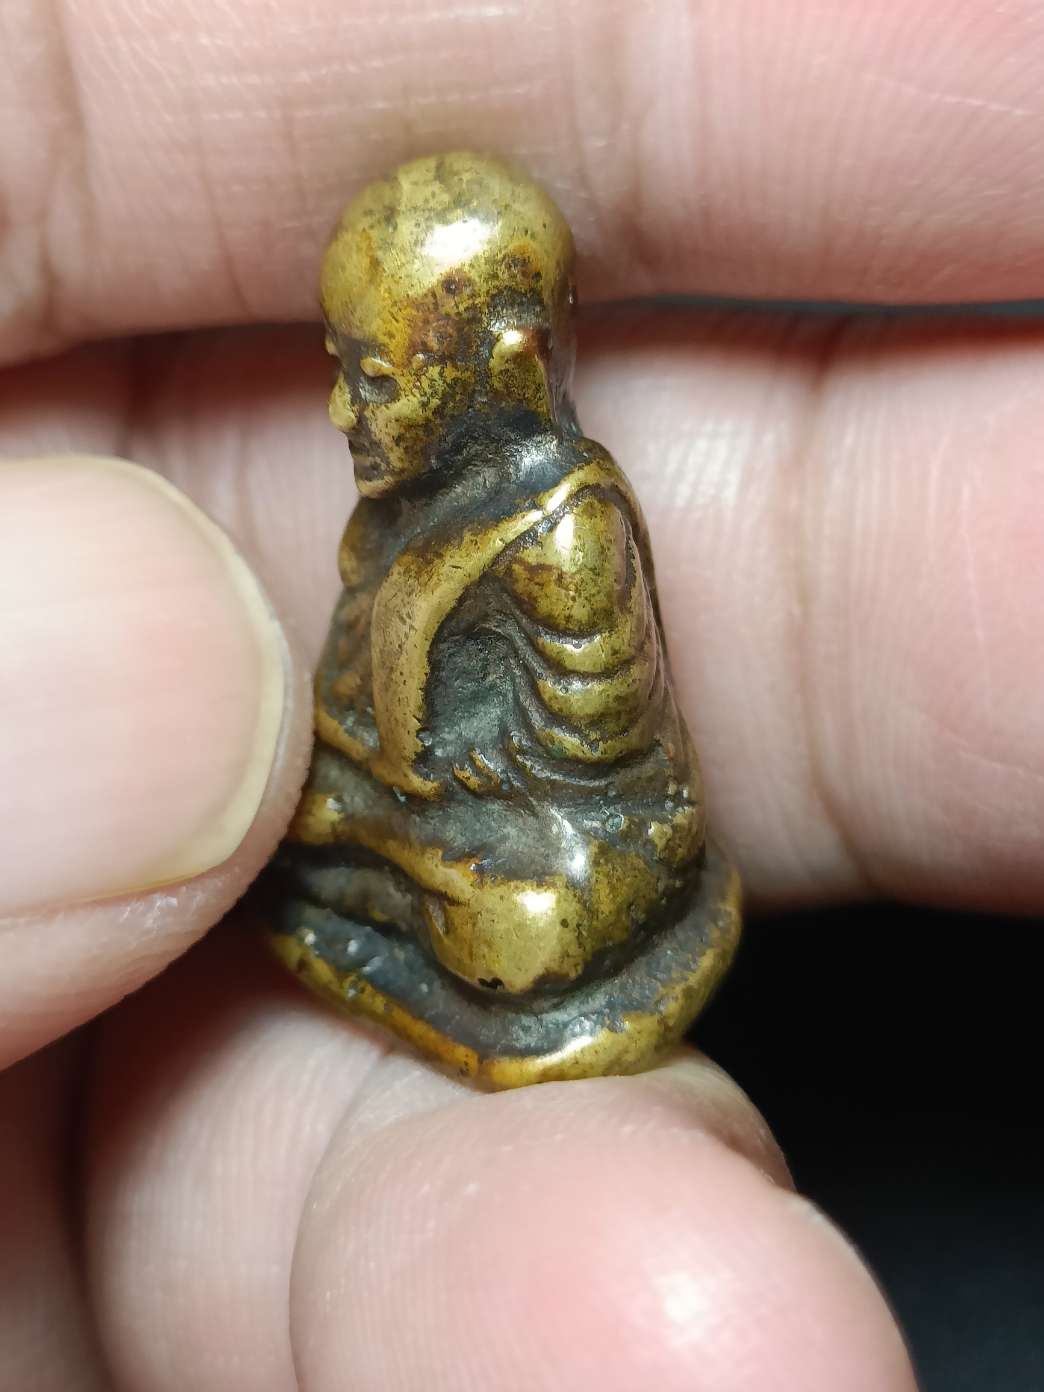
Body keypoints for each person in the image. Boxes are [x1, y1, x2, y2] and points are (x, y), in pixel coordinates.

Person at [2, 4, 1040, 1388]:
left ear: (497, 372)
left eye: (375, 383)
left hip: (582, 848)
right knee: (280, 824)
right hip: (429, 824)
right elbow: (362, 713)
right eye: (339, 375)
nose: (343, 417)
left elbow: (601, 773)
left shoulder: (565, 531)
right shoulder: (396, 516)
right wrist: (370, 793)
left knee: (518, 930)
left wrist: (414, 815)